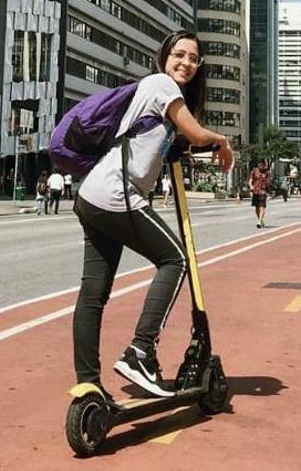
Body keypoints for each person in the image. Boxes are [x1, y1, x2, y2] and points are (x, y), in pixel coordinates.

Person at [71, 30, 234, 400]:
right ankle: (140, 351)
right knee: (175, 260)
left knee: (93, 293)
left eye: (194, 59)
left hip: (91, 195)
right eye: (180, 55)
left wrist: (181, 145)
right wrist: (221, 142)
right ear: (164, 56)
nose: (187, 64)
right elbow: (195, 132)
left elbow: (176, 139)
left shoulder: (157, 97)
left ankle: (88, 384)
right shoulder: (161, 83)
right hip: (116, 194)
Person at [249, 160, 271, 228]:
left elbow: (268, 182)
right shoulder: (254, 171)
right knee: (256, 207)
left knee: (262, 207)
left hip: (263, 191)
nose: (260, 166)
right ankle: (260, 220)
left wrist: (268, 190)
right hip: (255, 191)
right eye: (259, 165)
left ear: (264, 165)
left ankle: (259, 221)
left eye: (262, 165)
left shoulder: (267, 173)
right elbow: (250, 180)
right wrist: (251, 186)